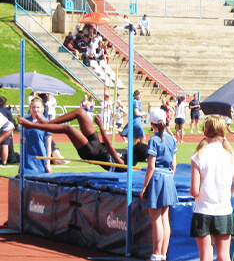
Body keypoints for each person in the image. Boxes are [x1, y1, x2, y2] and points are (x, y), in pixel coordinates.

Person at [19, 105, 149, 171]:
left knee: (69, 129)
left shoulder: (127, 166)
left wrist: (102, 129)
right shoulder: (131, 155)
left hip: (91, 152)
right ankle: (48, 123)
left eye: (134, 147)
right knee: (80, 112)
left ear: (136, 155)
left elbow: (111, 149)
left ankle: (32, 126)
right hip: (96, 144)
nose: (131, 146)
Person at [189, 116, 234, 261]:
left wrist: (205, 192)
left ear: (205, 131)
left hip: (203, 211)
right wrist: (223, 193)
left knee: (205, 256)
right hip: (223, 211)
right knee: (224, 256)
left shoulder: (198, 156)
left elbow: (195, 190)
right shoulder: (232, 156)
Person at [140, 109, 178, 261]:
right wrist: (169, 177)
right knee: (164, 218)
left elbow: (151, 166)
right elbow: (174, 164)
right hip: (168, 178)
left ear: (151, 123)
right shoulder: (171, 139)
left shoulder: (154, 140)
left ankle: (156, 253)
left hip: (157, 179)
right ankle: (162, 254)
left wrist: (144, 187)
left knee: (156, 218)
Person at [21, 97, 52, 174]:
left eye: (38, 107)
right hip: (26, 159)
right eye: (33, 107)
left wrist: (48, 163)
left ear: (42, 108)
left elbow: (48, 145)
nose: (35, 110)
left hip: (40, 158)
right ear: (30, 108)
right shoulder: (25, 121)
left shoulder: (46, 122)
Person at [0, 97, 16, 166]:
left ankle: (4, 162)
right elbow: (11, 121)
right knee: (5, 145)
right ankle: (4, 162)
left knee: (5, 145)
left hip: (6, 127)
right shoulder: (6, 110)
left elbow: (11, 124)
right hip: (7, 127)